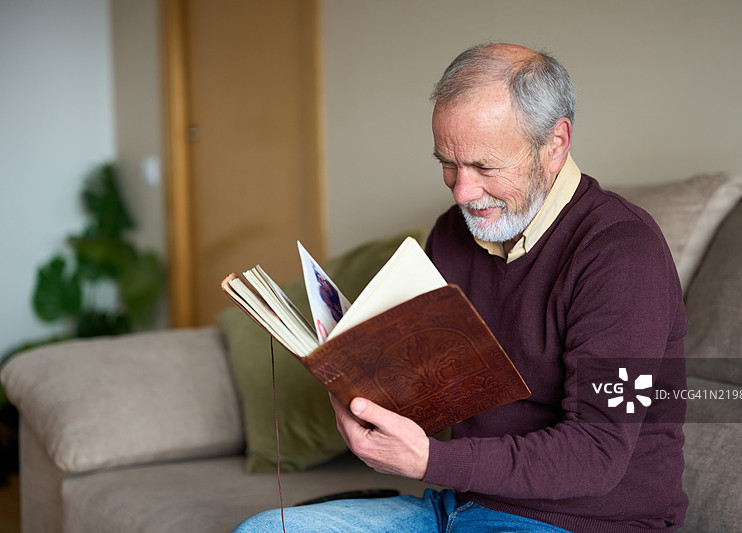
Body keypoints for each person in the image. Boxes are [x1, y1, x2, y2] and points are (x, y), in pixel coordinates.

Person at [234, 43, 688, 533]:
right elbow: (428, 386)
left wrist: (430, 462)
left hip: (584, 522)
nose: (461, 192)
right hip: (456, 509)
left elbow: (598, 454)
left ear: (556, 142)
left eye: (485, 167)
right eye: (447, 163)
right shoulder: (452, 234)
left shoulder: (622, 252)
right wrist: (363, 396)